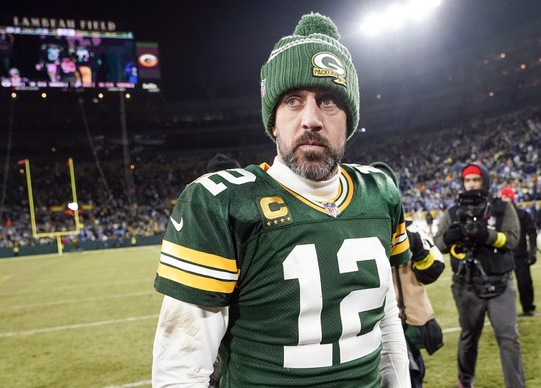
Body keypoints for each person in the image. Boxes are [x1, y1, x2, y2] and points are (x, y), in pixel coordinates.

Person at [152, 13, 412, 387]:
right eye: (293, 100)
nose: (311, 119)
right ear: (273, 120)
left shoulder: (379, 192)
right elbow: (181, 365)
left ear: (348, 120)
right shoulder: (220, 204)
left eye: (329, 102)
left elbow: (384, 318)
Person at [434, 162, 525, 388]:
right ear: (462, 183)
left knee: (509, 339)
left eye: (476, 180)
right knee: (468, 338)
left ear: (485, 181)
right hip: (466, 286)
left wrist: (488, 235)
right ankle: (465, 381)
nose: (472, 184)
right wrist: (449, 237)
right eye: (468, 180)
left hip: (500, 284)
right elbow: (437, 245)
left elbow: (513, 239)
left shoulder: (502, 208)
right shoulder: (453, 212)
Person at [371, 161, 445, 388]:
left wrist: (419, 251)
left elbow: (433, 270)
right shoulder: (356, 231)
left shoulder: (413, 230)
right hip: (370, 326)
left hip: (406, 322)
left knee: (411, 377)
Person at [500, 186, 537, 316]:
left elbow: (532, 233)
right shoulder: (500, 216)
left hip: (519, 254)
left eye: (504, 197)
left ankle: (528, 307)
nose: (502, 200)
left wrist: (532, 251)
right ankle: (504, 312)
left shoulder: (522, 214)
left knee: (524, 283)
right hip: (504, 255)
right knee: (501, 286)